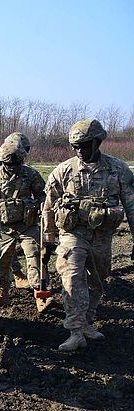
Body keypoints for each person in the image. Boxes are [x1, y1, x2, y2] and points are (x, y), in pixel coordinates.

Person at [42, 119, 134, 352]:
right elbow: (49, 206)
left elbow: (131, 205)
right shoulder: (63, 171)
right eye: (75, 147)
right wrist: (48, 237)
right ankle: (75, 331)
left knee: (98, 280)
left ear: (97, 142)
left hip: (102, 236)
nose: (79, 151)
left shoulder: (118, 169)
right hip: (73, 234)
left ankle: (86, 323)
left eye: (84, 145)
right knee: (71, 278)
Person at [0, 141, 46, 306]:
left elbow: (44, 197)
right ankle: (2, 293)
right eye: (7, 164)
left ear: (21, 161)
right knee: (0, 263)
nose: (11, 167)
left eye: (15, 164)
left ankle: (41, 295)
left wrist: (34, 207)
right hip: (3, 229)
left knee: (35, 257)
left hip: (27, 227)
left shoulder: (31, 175)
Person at [0, 132, 33, 288]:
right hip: (0, 210)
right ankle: (15, 275)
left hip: (18, 215)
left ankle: (16, 275)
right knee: (1, 249)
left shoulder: (20, 162)